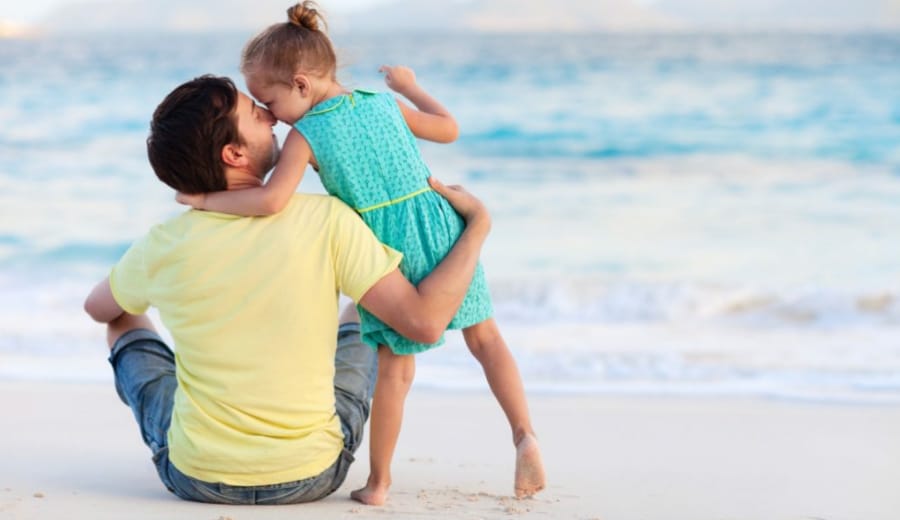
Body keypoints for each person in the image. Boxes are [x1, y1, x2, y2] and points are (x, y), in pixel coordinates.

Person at [175, 2, 545, 505]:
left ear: (301, 85)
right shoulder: (381, 102)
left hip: (385, 248)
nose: (273, 119)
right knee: (487, 341)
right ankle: (524, 433)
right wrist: (409, 86)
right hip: (440, 221)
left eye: (270, 102)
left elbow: (270, 200)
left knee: (394, 370)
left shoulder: (307, 133)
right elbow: (448, 127)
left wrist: (205, 199)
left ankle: (380, 483)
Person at [83, 74, 494, 505]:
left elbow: (98, 308)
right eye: (253, 114)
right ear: (234, 153)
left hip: (198, 477)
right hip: (314, 473)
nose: (269, 116)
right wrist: (477, 226)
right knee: (364, 307)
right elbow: (426, 325)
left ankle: (209, 437)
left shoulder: (162, 245)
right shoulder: (327, 219)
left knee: (122, 319)